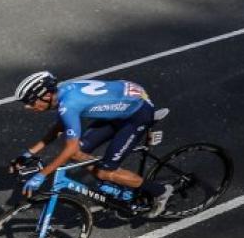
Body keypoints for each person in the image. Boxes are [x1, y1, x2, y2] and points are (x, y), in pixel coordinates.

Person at [10, 71, 171, 218]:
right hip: (123, 102)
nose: (28, 107)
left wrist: (42, 175)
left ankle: (161, 191)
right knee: (77, 153)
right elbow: (60, 127)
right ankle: (111, 183)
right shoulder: (62, 94)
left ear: (46, 95)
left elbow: (70, 146)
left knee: (103, 171)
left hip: (137, 114)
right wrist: (28, 153)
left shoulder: (69, 104)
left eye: (31, 102)